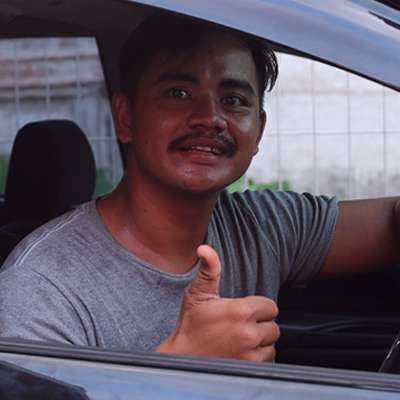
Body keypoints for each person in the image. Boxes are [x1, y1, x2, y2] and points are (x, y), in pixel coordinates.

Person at [0, 12, 399, 362]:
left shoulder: (260, 226)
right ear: (126, 118)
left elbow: (390, 224)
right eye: (178, 93)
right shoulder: (40, 286)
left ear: (258, 131)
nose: (210, 118)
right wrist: (182, 367)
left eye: (233, 99)